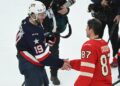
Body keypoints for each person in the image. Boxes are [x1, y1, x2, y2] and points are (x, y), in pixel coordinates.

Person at [16, 1, 71, 86]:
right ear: (33, 15)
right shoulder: (33, 32)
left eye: (44, 14)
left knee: (45, 82)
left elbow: (30, 40)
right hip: (29, 63)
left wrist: (45, 39)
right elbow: (43, 57)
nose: (44, 17)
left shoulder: (29, 21)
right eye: (41, 14)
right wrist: (61, 63)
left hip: (33, 56)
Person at [35, 0, 75, 85]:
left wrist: (66, 10)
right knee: (38, 51)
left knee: (54, 50)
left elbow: (64, 6)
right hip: (40, 27)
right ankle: (37, 75)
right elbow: (34, 8)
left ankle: (54, 74)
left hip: (54, 28)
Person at [70, 18, 112, 86]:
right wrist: (70, 64)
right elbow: (90, 63)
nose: (85, 29)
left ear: (91, 30)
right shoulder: (104, 44)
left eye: (87, 27)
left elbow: (86, 75)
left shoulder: (88, 46)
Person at [88, 0, 120, 67]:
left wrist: (119, 14)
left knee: (114, 38)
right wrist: (100, 1)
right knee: (97, 37)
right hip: (100, 13)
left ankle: (116, 58)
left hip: (114, 14)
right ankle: (96, 57)